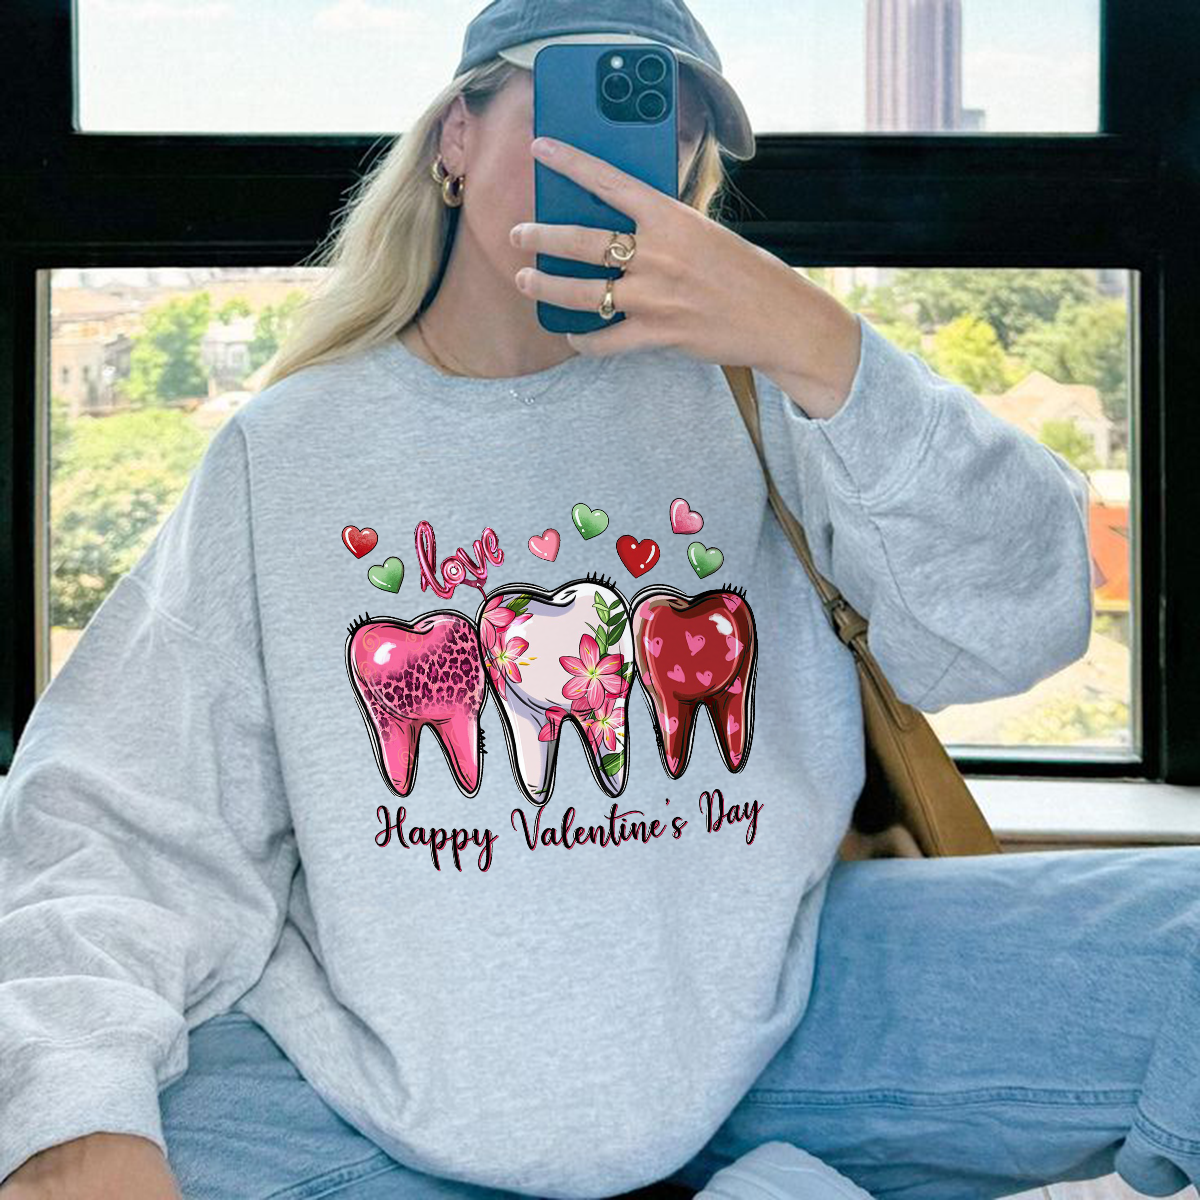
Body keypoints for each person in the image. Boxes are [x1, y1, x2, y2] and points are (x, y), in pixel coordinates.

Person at [3, 1, 1197, 1198]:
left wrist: (818, 341)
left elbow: (1028, 612)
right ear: (454, 140)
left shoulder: (762, 389)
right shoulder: (288, 453)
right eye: (581, 106)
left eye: (670, 129)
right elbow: (116, 815)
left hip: (785, 1014)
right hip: (384, 1084)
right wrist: (73, 1115)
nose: (628, 161)